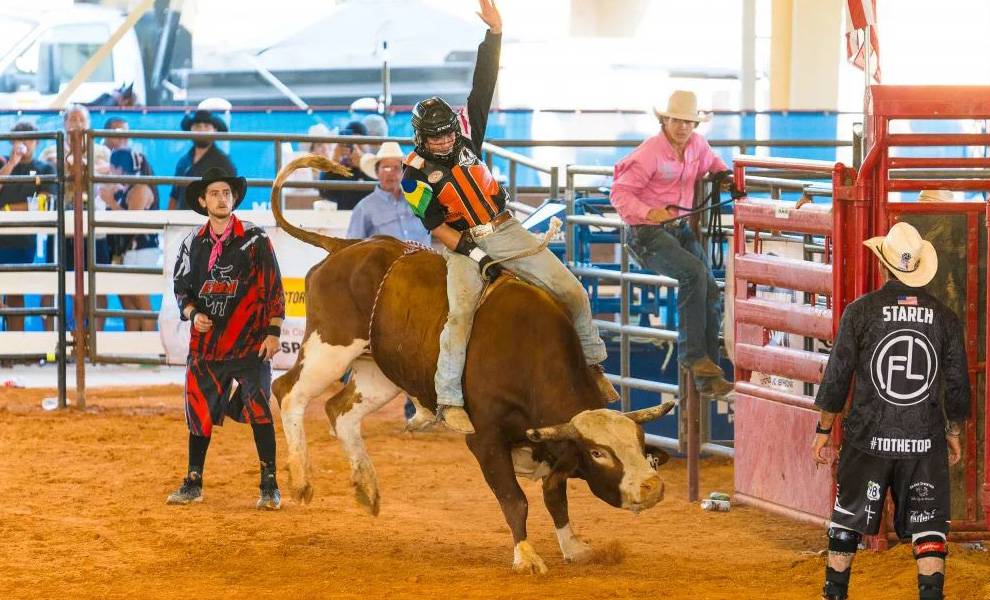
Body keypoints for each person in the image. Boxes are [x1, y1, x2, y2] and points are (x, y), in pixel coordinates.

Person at [401, 0, 616, 434]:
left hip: (507, 228)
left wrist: (494, 35)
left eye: (447, 133)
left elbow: (483, 85)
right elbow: (437, 228)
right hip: (462, 244)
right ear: (421, 137)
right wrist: (476, 257)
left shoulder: (467, 137)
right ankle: (448, 398)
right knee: (460, 314)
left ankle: (592, 364)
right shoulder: (412, 175)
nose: (444, 141)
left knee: (572, 291)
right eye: (436, 136)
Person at [811, 222, 970, 600]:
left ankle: (834, 593)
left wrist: (822, 430)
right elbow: (957, 385)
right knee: (929, 525)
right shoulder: (946, 318)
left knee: (847, 518)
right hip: (924, 438)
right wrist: (953, 432)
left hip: (868, 437)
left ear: (884, 266)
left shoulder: (860, 312)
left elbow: (836, 378)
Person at [167, 167, 286, 509]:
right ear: (203, 201)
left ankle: (269, 483)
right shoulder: (192, 243)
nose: (222, 198)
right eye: (215, 193)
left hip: (250, 344)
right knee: (198, 412)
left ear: (233, 199)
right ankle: (193, 481)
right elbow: (182, 290)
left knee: (260, 410)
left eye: (227, 193)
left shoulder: (255, 239)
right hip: (207, 347)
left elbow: (273, 288)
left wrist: (274, 330)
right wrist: (192, 314)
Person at [610, 90, 734, 397]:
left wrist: (723, 174)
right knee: (694, 274)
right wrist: (649, 211)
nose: (682, 127)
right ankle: (695, 359)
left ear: (695, 125)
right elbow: (620, 193)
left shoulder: (698, 146)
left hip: (677, 228)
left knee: (710, 287)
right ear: (665, 120)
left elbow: (712, 161)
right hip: (646, 232)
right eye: (676, 120)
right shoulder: (649, 152)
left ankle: (708, 375)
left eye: (688, 122)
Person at [0, 122, 56, 331]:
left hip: (21, 240)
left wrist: (6, 209)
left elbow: (44, 202)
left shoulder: (45, 168)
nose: (23, 143)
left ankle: (17, 347)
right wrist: (13, 162)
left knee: (15, 292)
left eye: (28, 139)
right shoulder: (4, 165)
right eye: (18, 139)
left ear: (36, 142)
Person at [102, 148, 160, 331]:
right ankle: (132, 351)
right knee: (128, 302)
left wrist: (110, 201)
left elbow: (132, 223)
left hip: (141, 251)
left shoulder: (140, 188)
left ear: (120, 168)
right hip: (126, 252)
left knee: (141, 302)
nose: (110, 172)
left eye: (112, 168)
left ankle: (149, 351)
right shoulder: (125, 188)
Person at [348, 142, 431, 246]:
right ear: (377, 172)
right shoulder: (364, 208)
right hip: (385, 262)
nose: (390, 173)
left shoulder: (419, 199)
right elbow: (352, 247)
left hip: (424, 260)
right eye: (386, 168)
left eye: (396, 168)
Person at [167, 110, 237, 210]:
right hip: (181, 222)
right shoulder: (183, 161)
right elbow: (174, 196)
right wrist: (169, 220)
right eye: (197, 126)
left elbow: (229, 202)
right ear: (190, 130)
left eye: (207, 126)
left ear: (215, 130)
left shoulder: (224, 163)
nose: (202, 130)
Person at [318, 121, 371, 210]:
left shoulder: (373, 166)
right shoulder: (340, 169)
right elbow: (323, 192)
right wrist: (333, 162)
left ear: (367, 145)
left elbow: (380, 191)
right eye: (351, 144)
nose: (355, 148)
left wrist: (363, 166)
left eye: (359, 143)